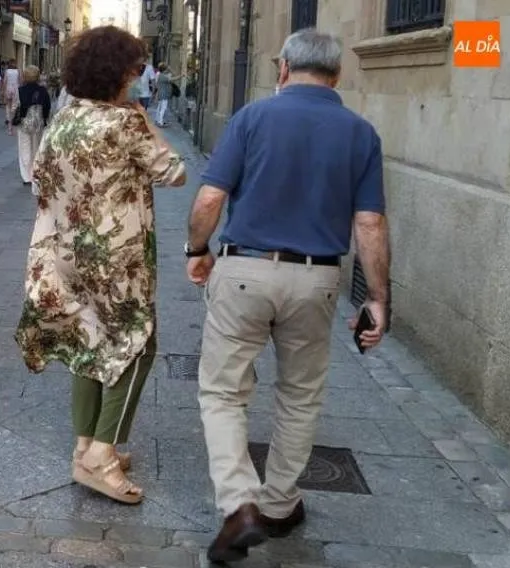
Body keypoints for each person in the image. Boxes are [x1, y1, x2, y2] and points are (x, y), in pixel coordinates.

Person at [185, 29, 389, 563]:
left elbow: (211, 196)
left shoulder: (251, 118)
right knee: (299, 395)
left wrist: (196, 247)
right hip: (317, 280)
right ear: (337, 76)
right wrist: (380, 299)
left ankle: (238, 505)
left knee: (224, 392)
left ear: (283, 69)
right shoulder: (361, 133)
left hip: (245, 270)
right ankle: (278, 504)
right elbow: (369, 223)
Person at [14, 26, 186, 505]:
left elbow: (39, 187)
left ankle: (84, 445)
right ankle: (102, 455)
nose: (136, 80)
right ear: (118, 73)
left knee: (88, 342)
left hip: (66, 254)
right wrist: (145, 121)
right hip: (118, 257)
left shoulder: (62, 122)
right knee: (137, 345)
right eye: (133, 71)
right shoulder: (124, 122)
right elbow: (175, 172)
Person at [14, 65, 51, 186]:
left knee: (24, 148)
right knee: (36, 148)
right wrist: (45, 119)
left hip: (24, 122)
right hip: (38, 123)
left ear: (25, 76)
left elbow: (15, 107)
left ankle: (26, 177)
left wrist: (12, 120)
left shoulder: (20, 90)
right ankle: (35, 173)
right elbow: (47, 107)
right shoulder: (43, 90)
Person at [2, 59, 20, 134]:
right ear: (15, 64)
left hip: (8, 89)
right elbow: (20, 81)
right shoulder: (18, 71)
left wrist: (3, 91)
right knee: (14, 106)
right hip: (15, 89)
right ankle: (11, 121)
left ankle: (9, 122)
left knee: (8, 106)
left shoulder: (7, 71)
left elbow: (5, 81)